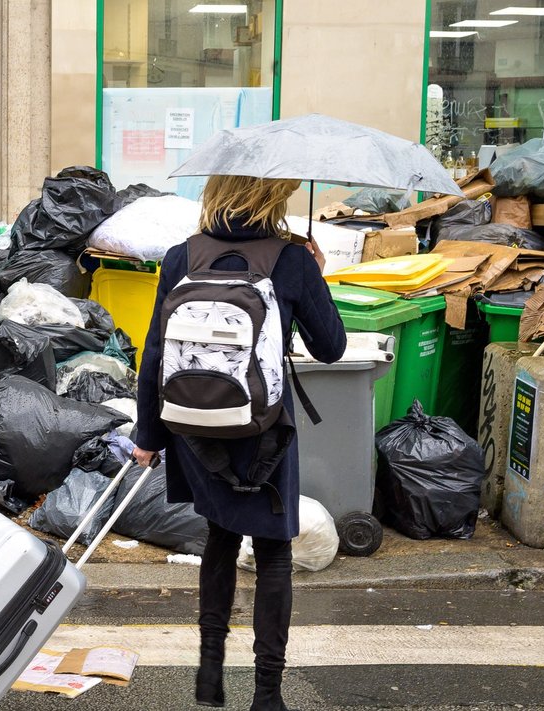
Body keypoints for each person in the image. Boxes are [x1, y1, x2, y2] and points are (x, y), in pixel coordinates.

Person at [132, 175, 346, 709]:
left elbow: (155, 354)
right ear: (271, 197)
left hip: (193, 426)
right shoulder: (292, 260)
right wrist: (315, 277)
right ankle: (267, 695)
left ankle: (210, 679)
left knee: (220, 537)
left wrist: (148, 435)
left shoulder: (182, 257)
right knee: (273, 552)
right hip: (263, 429)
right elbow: (331, 349)